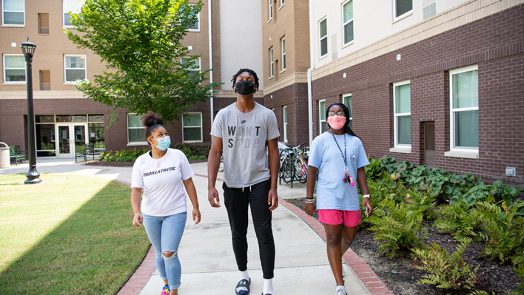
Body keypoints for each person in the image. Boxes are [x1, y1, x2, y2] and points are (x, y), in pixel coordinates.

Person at [207, 68, 280, 295]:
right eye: (241, 80)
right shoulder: (224, 115)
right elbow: (215, 150)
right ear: (234, 85)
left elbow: (273, 152)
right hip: (232, 183)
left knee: (264, 233)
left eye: (249, 80)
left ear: (256, 86)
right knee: (238, 232)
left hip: (259, 181)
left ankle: (267, 284)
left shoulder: (266, 115)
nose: (245, 83)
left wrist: (274, 187)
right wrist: (210, 186)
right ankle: (243, 276)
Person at [305, 103, 372, 295]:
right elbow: (312, 171)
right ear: (327, 118)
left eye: (340, 112)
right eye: (332, 113)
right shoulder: (320, 141)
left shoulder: (355, 142)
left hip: (350, 198)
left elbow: (360, 170)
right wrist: (310, 199)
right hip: (328, 197)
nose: (336, 116)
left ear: (347, 117)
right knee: (333, 238)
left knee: (349, 237)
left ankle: (333, 260)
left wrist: (366, 195)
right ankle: (340, 284)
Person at [131, 112, 201, 295]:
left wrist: (195, 206)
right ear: (150, 139)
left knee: (169, 252)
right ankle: (166, 283)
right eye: (160, 135)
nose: (165, 137)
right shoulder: (141, 162)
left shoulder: (177, 156)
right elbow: (136, 190)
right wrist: (137, 211)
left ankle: (174, 290)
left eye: (166, 134)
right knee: (159, 251)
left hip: (175, 212)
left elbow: (188, 182)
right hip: (151, 214)